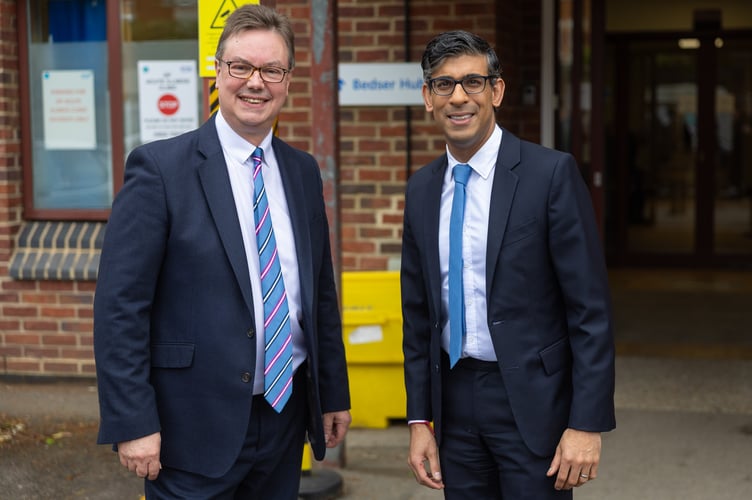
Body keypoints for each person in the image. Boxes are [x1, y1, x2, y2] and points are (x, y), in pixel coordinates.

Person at [93, 4, 351, 498]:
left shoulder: (302, 171)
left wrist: (332, 393)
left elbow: (317, 293)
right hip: (189, 429)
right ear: (217, 71)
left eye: (272, 70)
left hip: (283, 419)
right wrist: (132, 420)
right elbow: (120, 308)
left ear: (288, 79)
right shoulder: (160, 170)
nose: (256, 82)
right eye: (241, 67)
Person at [401, 30, 615, 499]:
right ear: (428, 98)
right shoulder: (420, 190)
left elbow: (589, 310)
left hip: (534, 405)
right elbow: (417, 317)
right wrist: (419, 420)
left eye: (472, 82)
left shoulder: (550, 175)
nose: (458, 97)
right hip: (453, 404)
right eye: (443, 84)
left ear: (496, 90)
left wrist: (586, 423)